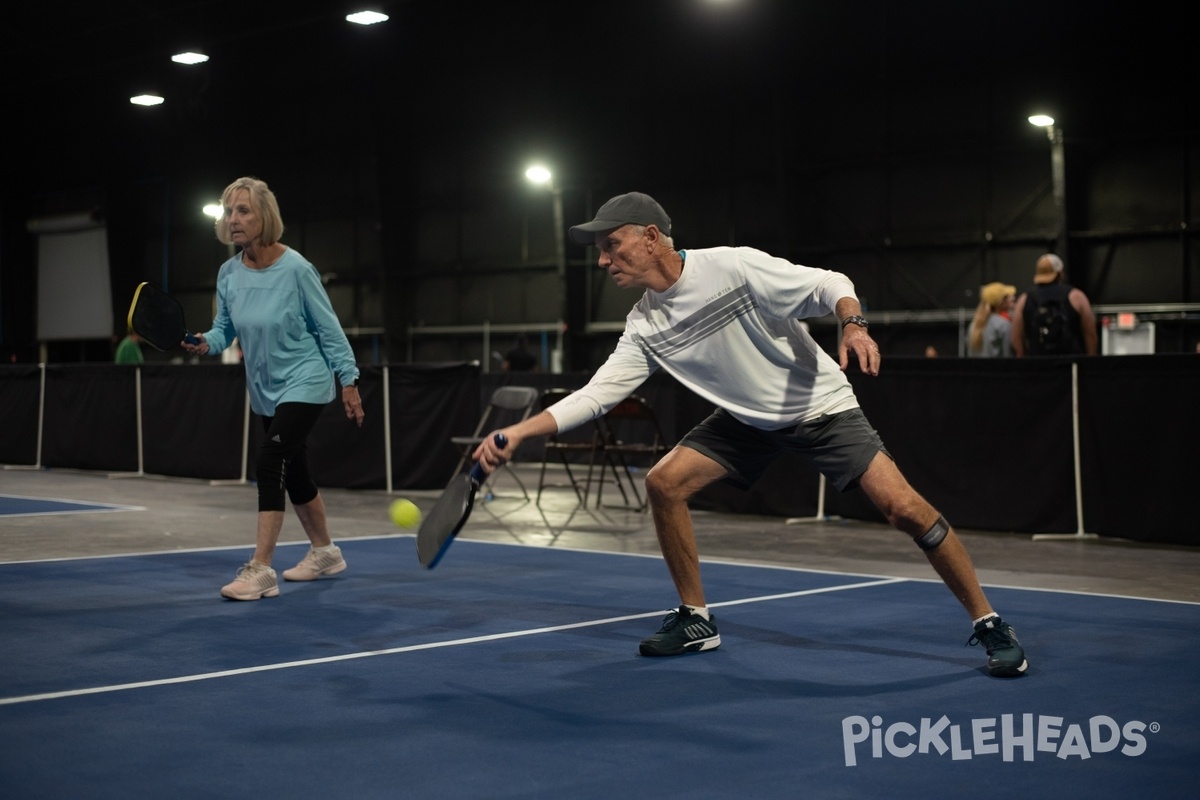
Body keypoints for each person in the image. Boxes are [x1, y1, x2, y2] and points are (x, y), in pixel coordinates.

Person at [474, 191, 1028, 678]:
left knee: (904, 509)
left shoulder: (732, 268)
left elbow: (828, 283)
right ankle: (696, 619)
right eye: (599, 250)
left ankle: (990, 621)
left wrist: (852, 323)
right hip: (746, 420)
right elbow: (596, 395)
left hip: (818, 407)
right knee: (664, 483)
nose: (602, 260)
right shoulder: (643, 324)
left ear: (650, 238)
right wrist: (519, 432)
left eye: (612, 245)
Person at [182, 176, 364, 601]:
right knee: (295, 470)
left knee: (271, 461)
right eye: (230, 212)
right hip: (265, 387)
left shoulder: (297, 269)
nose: (234, 219)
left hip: (307, 378)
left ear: (265, 217)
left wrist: (349, 380)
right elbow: (225, 329)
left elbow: (329, 329)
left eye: (243, 210)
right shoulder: (228, 273)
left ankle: (261, 568)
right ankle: (325, 551)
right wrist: (205, 342)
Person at [1011, 254, 1098, 356]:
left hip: (1037, 366)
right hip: (1070, 365)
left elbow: (1015, 337)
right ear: (1060, 273)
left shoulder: (1024, 299)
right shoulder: (1076, 296)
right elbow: (1090, 334)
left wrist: (1024, 361)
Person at [967, 282, 1016, 357]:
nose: (1008, 300)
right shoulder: (1003, 325)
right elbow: (1008, 356)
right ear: (1000, 301)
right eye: (1006, 297)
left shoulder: (973, 325)